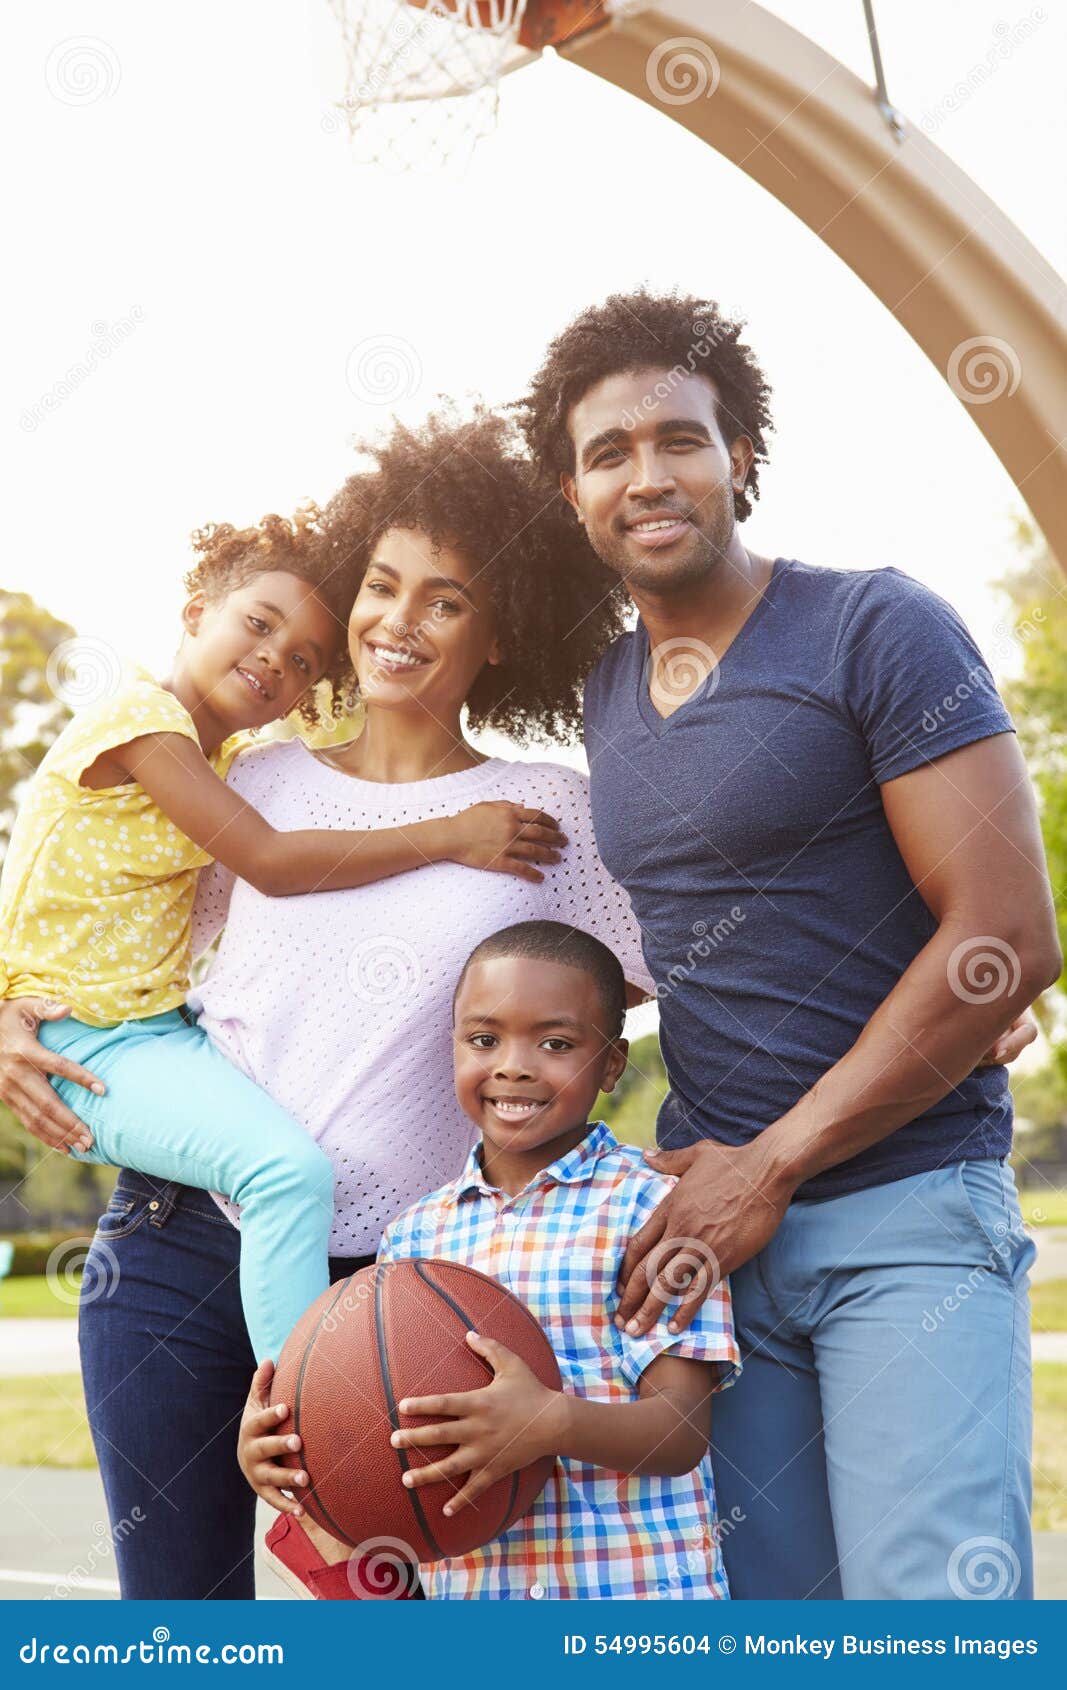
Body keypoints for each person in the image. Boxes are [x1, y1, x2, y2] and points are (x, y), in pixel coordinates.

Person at [0, 409, 654, 1599]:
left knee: (391, 1628)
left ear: (501, 632)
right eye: (381, 586)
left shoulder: (546, 811)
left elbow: (679, 987)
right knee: (181, 1634)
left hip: (401, 1283)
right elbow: (80, 897)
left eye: (445, 600)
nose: (398, 620)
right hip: (172, 1247)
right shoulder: (253, 775)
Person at [520, 289, 1060, 1600]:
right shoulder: (602, 697)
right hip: (714, 1247)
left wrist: (771, 1163)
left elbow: (1002, 934)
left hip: (902, 1212)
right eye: (607, 453)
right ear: (572, 494)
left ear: (739, 455)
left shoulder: (873, 625)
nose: (647, 475)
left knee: (929, 1631)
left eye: (679, 438)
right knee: (773, 1632)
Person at [0, 513, 563, 1367]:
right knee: (284, 1174)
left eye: (304, 660)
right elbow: (269, 860)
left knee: (285, 1162)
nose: (275, 659)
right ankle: (301, 1401)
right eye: (258, 624)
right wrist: (451, 833)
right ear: (196, 612)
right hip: (86, 1043)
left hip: (157, 1031)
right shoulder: (141, 720)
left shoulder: (231, 763)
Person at [239, 922, 739, 1601]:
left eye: (555, 1043)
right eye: (483, 1040)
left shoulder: (654, 1209)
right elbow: (377, 1439)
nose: (513, 1065)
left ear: (612, 1063)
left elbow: (679, 1433)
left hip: (635, 1594)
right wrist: (288, 1457)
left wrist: (548, 1422)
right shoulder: (411, 1240)